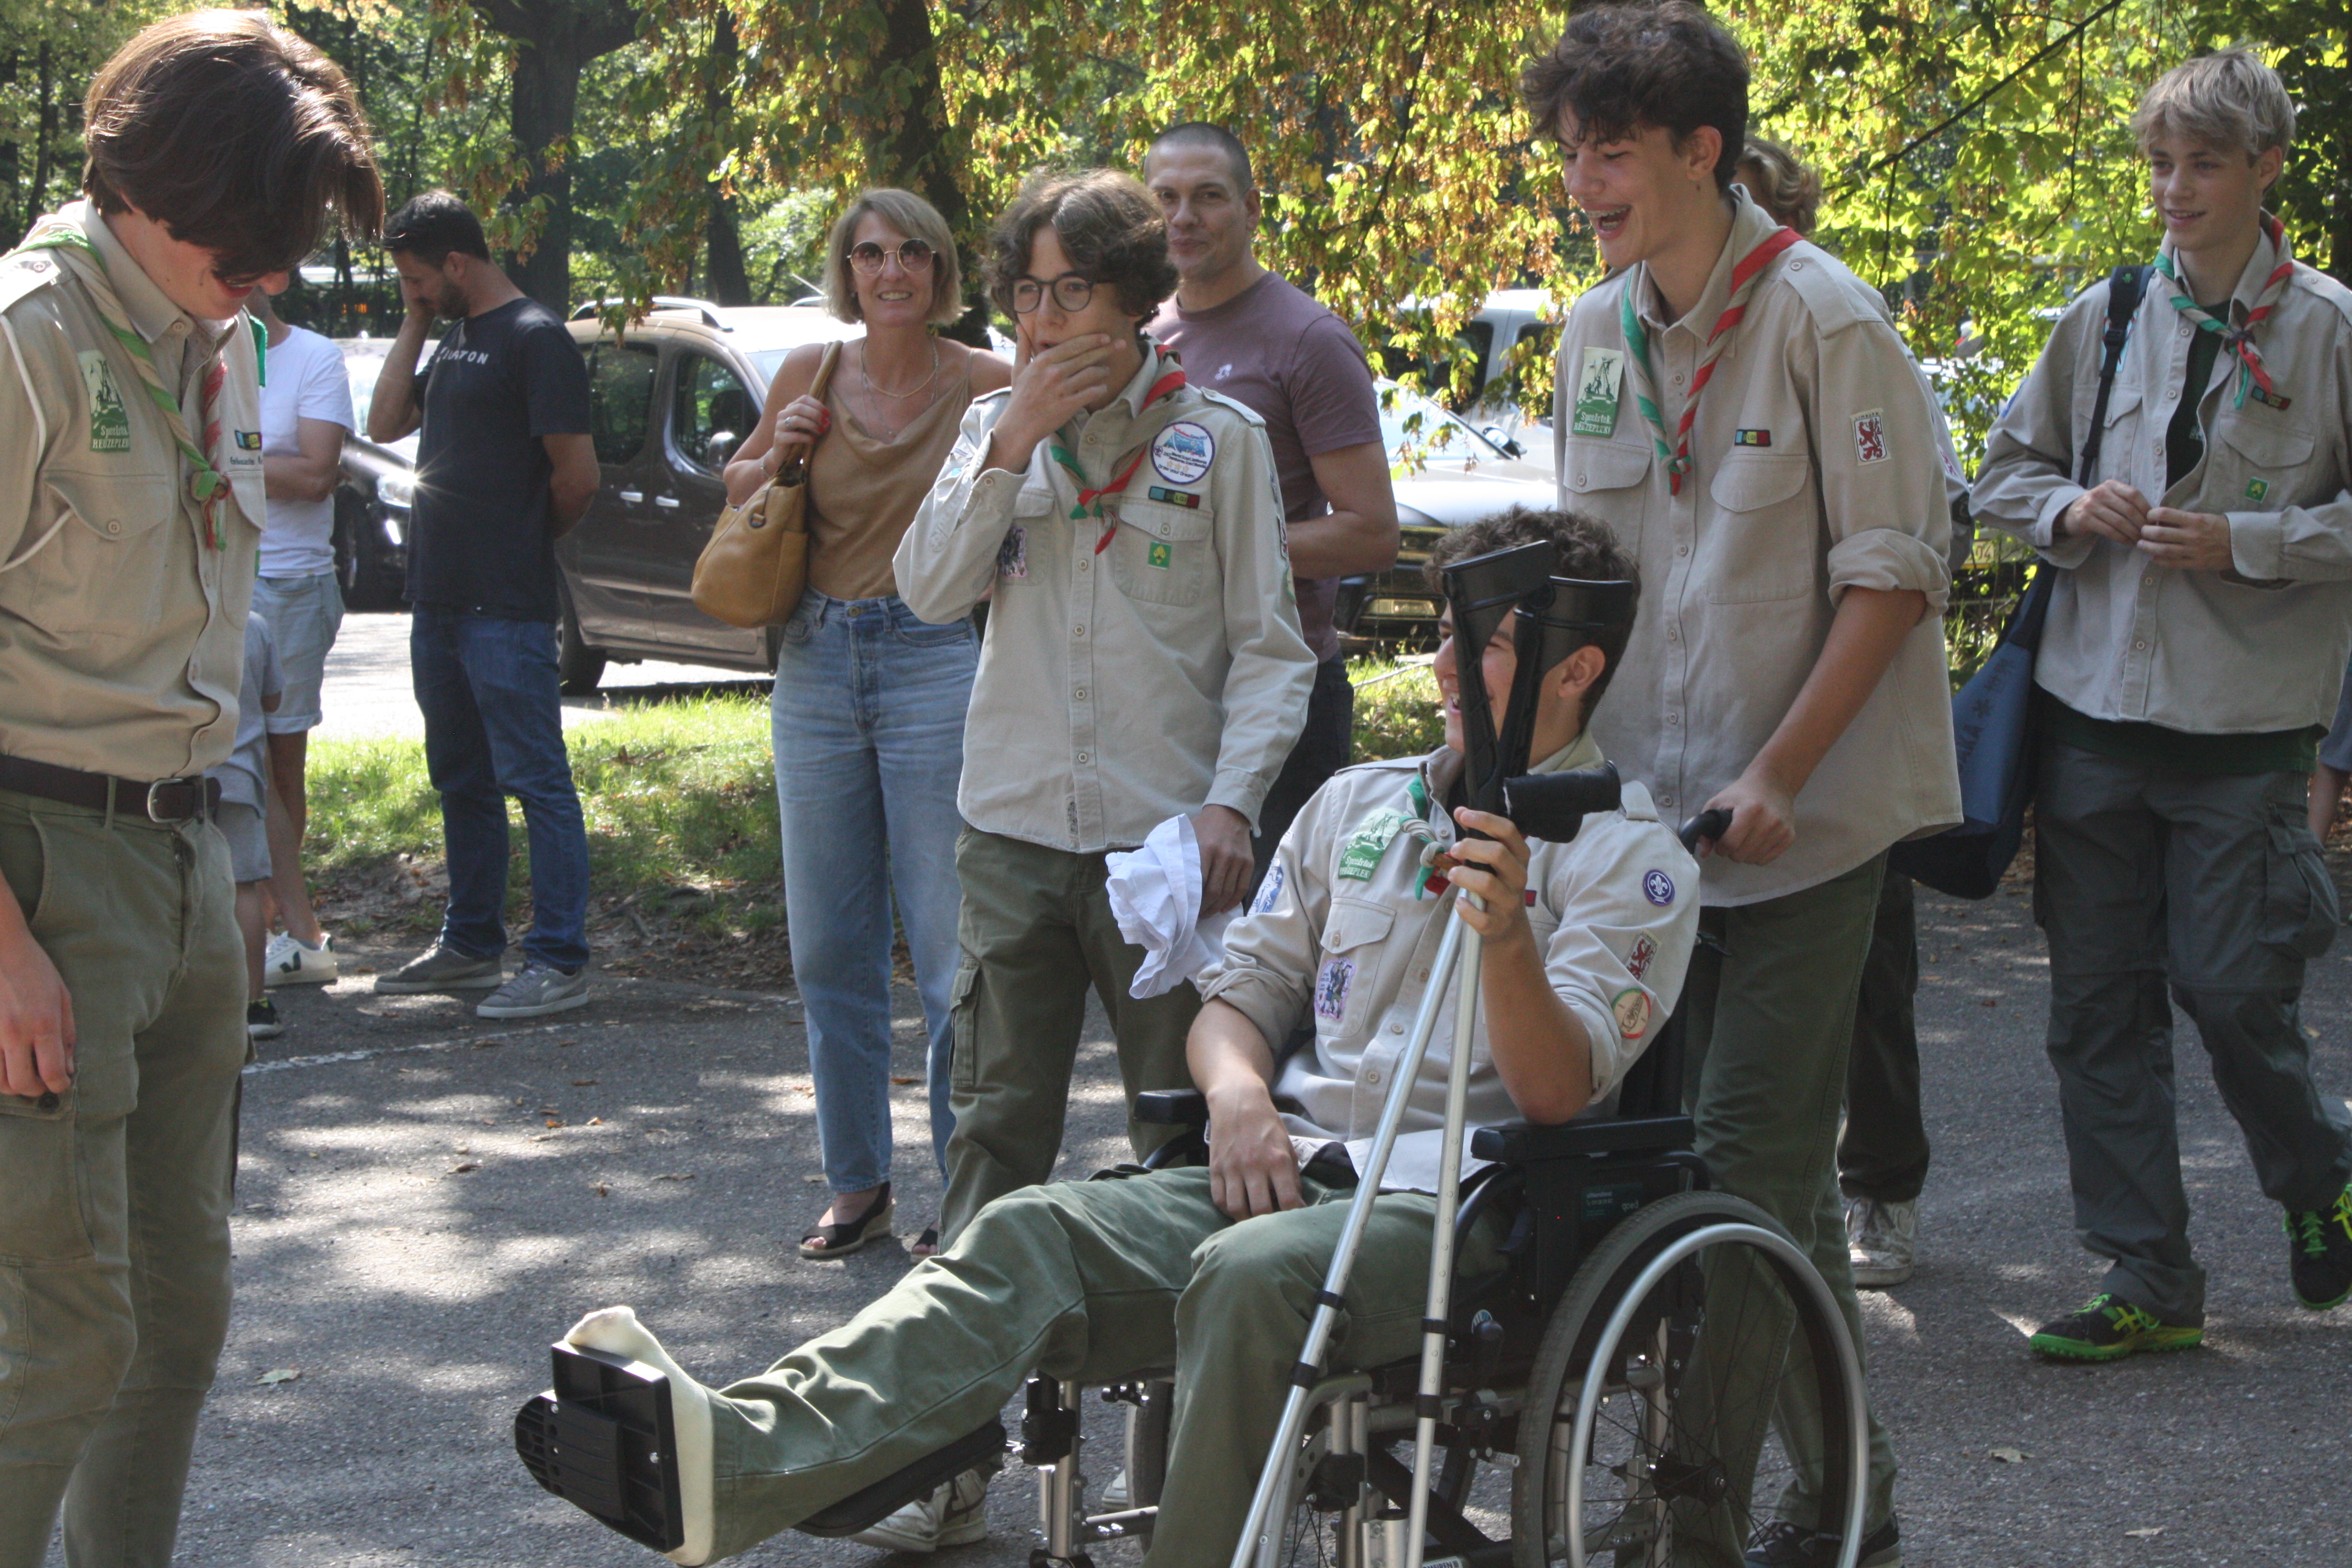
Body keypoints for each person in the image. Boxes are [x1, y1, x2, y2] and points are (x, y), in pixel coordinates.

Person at [527, 504, 1699, 1568]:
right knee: (1032, 1227)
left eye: (1482, 641)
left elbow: (1558, 1093)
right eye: (1444, 629)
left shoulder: (1632, 860)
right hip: (1282, 1164)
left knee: (1249, 1274)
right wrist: (1238, 1096)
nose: (1443, 663)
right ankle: (729, 1462)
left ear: (1575, 667)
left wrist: (1508, 940)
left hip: (1451, 1210)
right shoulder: (1357, 803)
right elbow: (1240, 1001)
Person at [1527, 6, 1963, 1564]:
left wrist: (1779, 774)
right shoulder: (1593, 336)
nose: (1584, 178)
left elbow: (1897, 580)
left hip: (1800, 832)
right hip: (1642, 835)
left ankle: (1686, 1522)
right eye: (1571, 149)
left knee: (1747, 1168)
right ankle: (1863, 1486)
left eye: (1614, 150)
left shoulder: (1828, 322)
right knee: (1722, 1179)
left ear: (1701, 152)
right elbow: (1581, 584)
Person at [0, 12, 380, 1563]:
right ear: (141, 191)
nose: (270, 284)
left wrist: (226, 859)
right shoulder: (28, 336)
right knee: (55, 1338)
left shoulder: (206, 332)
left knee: (179, 1318)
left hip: (180, 859)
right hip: (37, 866)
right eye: (246, 251)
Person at [1973, 48, 2352, 1363]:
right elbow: (2002, 473)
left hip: (2243, 732)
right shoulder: (2108, 313)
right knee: (2094, 1005)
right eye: (2158, 162)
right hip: (2090, 719)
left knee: (2235, 988)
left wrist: (2250, 540)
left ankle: (2321, 1175)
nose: (2173, 187)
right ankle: (2146, 1273)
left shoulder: (2330, 328)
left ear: (2264, 168)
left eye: (2200, 162)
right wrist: (2070, 508)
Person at [893, 168, 1315, 1257]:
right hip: (1013, 835)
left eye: (1070, 291)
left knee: (1179, 1136)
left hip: (1165, 844)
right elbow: (928, 590)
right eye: (1025, 296)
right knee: (991, 1131)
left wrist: (1231, 805)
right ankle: (975, 1394)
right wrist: (1009, 447)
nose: (1042, 322)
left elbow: (1273, 650)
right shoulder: (993, 427)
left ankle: (1183, 1390)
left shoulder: (1220, 440)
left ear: (1132, 293)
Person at [723, 190, 1009, 1261]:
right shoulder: (810, 371)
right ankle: (858, 1184)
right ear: (849, 269)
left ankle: (967, 1199)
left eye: (915, 254)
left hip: (939, 653)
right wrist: (781, 446)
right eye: (872, 253)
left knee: (947, 956)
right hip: (816, 658)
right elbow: (740, 483)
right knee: (829, 949)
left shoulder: (987, 380)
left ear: (941, 271)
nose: (893, 271)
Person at [1734, 135, 1976, 1292]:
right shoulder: (1660, 340)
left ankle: (1886, 1181)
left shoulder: (1843, 331)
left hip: (1836, 756)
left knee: (1876, 981)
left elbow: (1917, 542)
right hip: (1715, 759)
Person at [1142, 122, 1401, 880]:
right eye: (1166, 198)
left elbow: (1371, 534)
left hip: (1281, 695)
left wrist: (1226, 550)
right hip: (1169, 694)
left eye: (1209, 197)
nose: (1184, 217)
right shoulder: (1143, 335)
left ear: (1252, 208)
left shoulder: (1307, 340)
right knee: (1169, 951)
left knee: (1271, 961)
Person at [367, 191, 600, 1020]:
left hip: (505, 605)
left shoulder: (535, 339)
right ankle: (470, 944)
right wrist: (416, 322)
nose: (415, 293)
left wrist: (522, 540)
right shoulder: (455, 333)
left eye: (421, 281)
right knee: (459, 776)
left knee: (537, 780)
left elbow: (577, 478)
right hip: (438, 600)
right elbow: (386, 418)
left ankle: (559, 959)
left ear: (459, 265)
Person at [247, 272, 357, 991]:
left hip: (289, 580)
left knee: (279, 763)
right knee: (227, 759)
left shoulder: (314, 357)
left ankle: (299, 933)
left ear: (271, 278)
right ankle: (257, 923)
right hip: (211, 572)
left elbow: (318, 473)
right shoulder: (192, 353)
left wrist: (220, 462)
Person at [210, 613, 287, 1041]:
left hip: (181, 777)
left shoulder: (172, 612)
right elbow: (273, 700)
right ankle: (253, 1002)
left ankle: (192, 997)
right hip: (240, 777)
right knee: (243, 889)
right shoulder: (252, 624)